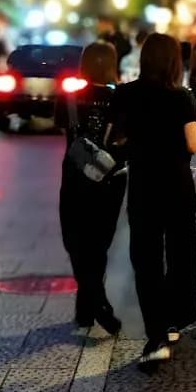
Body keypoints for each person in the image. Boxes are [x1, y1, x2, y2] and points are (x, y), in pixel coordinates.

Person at [115, 32, 196, 363]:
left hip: (143, 187)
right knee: (181, 254)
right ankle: (175, 320)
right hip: (177, 187)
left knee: (146, 260)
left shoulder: (125, 95)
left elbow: (118, 137)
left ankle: (156, 336)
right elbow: (193, 144)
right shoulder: (181, 98)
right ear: (174, 62)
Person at [56, 41, 127, 334]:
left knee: (75, 239)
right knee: (100, 242)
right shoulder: (122, 96)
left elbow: (61, 125)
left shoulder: (70, 95)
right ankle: (94, 303)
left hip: (75, 175)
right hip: (112, 178)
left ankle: (91, 305)